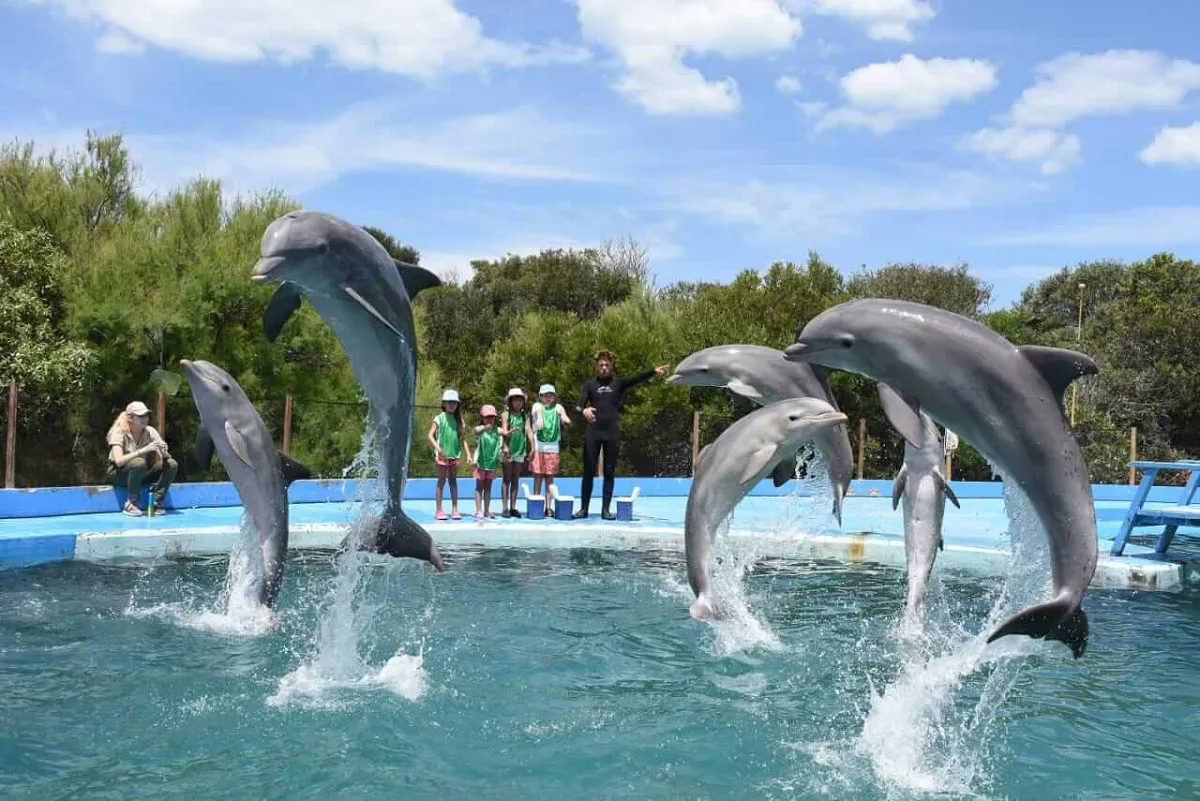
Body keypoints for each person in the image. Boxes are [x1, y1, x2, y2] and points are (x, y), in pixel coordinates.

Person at [574, 350, 670, 520]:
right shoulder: (589, 385)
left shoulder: (618, 383)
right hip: (593, 433)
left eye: (606, 365)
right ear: (596, 367)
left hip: (612, 433)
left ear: (611, 366)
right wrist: (584, 410)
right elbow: (578, 406)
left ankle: (605, 510)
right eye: (601, 365)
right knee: (588, 471)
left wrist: (653, 371)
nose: (604, 367)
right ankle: (583, 509)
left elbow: (636, 379)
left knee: (609, 472)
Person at [105, 401, 178, 517]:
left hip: (139, 473)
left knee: (171, 464)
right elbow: (118, 462)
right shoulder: (119, 432)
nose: (145, 419)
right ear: (130, 418)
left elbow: (165, 456)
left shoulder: (150, 431)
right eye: (140, 416)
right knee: (139, 462)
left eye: (146, 415)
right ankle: (131, 503)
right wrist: (143, 450)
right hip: (118, 474)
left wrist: (163, 450)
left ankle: (156, 501)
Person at [428, 389, 471, 521]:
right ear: (444, 404)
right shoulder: (439, 418)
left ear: (457, 404)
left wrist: (468, 454)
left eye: (454, 402)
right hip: (442, 455)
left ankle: (454, 508)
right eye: (449, 402)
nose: (452, 405)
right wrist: (438, 449)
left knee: (453, 482)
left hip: (455, 455)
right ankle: (439, 509)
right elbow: (430, 435)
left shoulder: (459, 421)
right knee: (441, 481)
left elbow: (463, 439)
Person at [530, 384, 571, 499]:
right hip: (539, 448)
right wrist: (540, 417)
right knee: (538, 477)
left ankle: (548, 507)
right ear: (540, 397)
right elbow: (537, 411)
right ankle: (536, 502)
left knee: (550, 479)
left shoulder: (558, 407)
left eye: (550, 395)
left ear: (554, 397)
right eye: (545, 395)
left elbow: (563, 415)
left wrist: (565, 420)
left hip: (553, 449)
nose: (548, 398)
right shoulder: (537, 406)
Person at [500, 388, 534, 518]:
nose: (518, 403)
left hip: (520, 450)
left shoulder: (525, 415)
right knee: (506, 479)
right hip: (508, 450)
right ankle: (505, 508)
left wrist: (533, 447)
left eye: (520, 400)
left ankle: (513, 507)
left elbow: (528, 430)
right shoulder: (505, 415)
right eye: (515, 400)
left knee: (515, 479)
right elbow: (504, 431)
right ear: (510, 401)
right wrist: (505, 446)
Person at [472, 405, 503, 520]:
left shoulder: (497, 430)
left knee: (488, 488)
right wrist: (485, 428)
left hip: (492, 464)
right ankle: (478, 510)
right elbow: (475, 431)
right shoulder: (480, 430)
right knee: (479, 487)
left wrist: (511, 431)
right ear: (482, 417)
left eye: (492, 417)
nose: (489, 419)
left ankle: (486, 510)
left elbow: (505, 432)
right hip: (480, 464)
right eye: (487, 417)